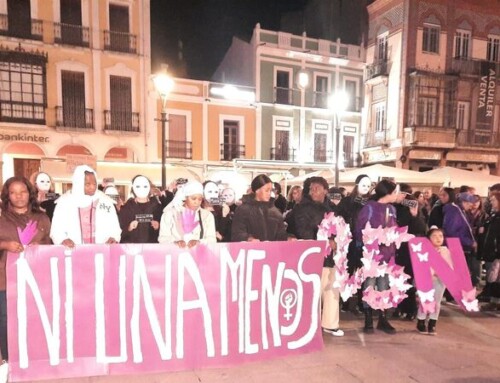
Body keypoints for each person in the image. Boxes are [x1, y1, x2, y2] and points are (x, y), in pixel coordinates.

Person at [0, 176, 52, 362]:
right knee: (6, 321)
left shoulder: (42, 218)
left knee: (34, 318)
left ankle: (35, 360)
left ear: (29, 193)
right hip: (5, 280)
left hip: (35, 279)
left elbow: (50, 247)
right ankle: (9, 361)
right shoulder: (1, 217)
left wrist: (40, 247)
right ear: (7, 195)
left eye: (22, 192)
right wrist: (5, 244)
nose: (18, 196)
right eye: (13, 193)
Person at [355, 179, 399, 334]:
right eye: (394, 192)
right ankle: (368, 317)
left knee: (384, 285)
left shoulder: (392, 209)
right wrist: (374, 237)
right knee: (369, 283)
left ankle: (382, 317)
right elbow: (360, 229)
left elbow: (395, 228)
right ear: (387, 193)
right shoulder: (369, 208)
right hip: (372, 254)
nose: (396, 195)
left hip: (388, 253)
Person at [50, 165, 121, 247]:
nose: (92, 187)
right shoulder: (64, 202)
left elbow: (115, 227)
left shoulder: (105, 200)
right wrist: (62, 239)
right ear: (78, 183)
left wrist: (113, 237)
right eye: (88, 184)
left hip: (101, 253)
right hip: (73, 253)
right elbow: (56, 230)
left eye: (94, 184)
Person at [394, 183, 427, 320]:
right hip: (395, 247)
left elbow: (421, 229)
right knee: (396, 279)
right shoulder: (392, 206)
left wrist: (415, 214)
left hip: (408, 249)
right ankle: (398, 306)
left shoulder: (413, 207)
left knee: (407, 278)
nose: (401, 197)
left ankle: (409, 308)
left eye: (403, 194)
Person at [416, 226, 452, 335]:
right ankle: (421, 320)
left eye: (440, 236)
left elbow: (450, 266)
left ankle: (432, 322)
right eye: (434, 236)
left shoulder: (445, 251)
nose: (438, 238)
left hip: (440, 280)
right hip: (427, 279)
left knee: (437, 301)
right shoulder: (423, 250)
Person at [231, 174, 288, 242]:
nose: (269, 193)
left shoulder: (275, 211)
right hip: (252, 251)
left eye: (271, 190)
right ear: (257, 190)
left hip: (272, 251)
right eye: (266, 190)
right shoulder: (242, 210)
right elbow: (237, 233)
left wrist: (289, 237)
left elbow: (281, 234)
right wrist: (248, 239)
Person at [158, 180, 216, 247]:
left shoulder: (207, 215)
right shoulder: (169, 214)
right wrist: (175, 242)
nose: (197, 202)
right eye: (193, 199)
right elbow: (162, 238)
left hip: (199, 255)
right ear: (185, 197)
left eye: (200, 199)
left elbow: (212, 240)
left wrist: (199, 242)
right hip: (175, 254)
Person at [442, 192, 478, 287]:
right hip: (454, 245)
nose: (471, 207)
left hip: (457, 244)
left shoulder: (460, 211)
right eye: (470, 205)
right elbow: (451, 231)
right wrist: (469, 242)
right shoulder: (454, 211)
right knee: (455, 272)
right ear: (464, 202)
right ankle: (451, 294)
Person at [119, 175, 162, 243]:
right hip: (132, 249)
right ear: (133, 188)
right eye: (138, 186)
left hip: (153, 249)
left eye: (145, 186)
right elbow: (119, 231)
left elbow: (165, 233)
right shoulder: (126, 208)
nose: (142, 189)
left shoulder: (157, 208)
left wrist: (158, 226)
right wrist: (129, 228)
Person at [480, 191, 500, 309]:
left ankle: (495, 301)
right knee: (495, 277)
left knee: (496, 277)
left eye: (493, 200)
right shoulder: (494, 215)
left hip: (497, 251)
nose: (491, 202)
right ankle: (495, 301)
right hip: (492, 251)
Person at [321, 235, 344, 337]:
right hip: (310, 250)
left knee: (332, 291)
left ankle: (330, 324)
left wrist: (335, 238)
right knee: (312, 294)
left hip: (331, 259)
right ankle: (309, 325)